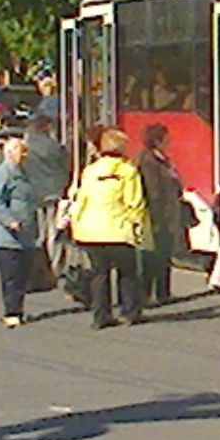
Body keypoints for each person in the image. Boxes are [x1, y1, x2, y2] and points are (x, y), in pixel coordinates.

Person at [70, 126, 147, 329]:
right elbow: (135, 203)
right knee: (128, 273)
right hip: (118, 231)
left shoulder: (91, 171)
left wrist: (76, 226)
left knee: (99, 275)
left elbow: (82, 200)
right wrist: (137, 226)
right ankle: (130, 312)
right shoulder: (128, 171)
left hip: (91, 231)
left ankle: (100, 316)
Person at [0, 138, 39, 328]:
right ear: (9, 153)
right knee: (11, 276)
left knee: (22, 275)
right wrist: (9, 221)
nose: (25, 156)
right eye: (21, 152)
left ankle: (18, 310)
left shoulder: (23, 173)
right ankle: (11, 312)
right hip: (5, 238)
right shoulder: (3, 174)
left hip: (25, 236)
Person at [135, 123, 183, 305]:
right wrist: (156, 217)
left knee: (164, 254)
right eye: (166, 137)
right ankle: (147, 293)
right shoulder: (148, 161)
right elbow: (153, 191)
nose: (169, 140)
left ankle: (163, 292)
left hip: (167, 214)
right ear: (157, 140)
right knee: (153, 255)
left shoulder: (162, 159)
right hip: (158, 215)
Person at [23, 114, 69, 278]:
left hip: (33, 194)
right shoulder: (54, 147)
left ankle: (37, 266)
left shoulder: (25, 148)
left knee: (38, 232)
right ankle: (54, 267)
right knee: (54, 233)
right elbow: (66, 166)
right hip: (54, 192)